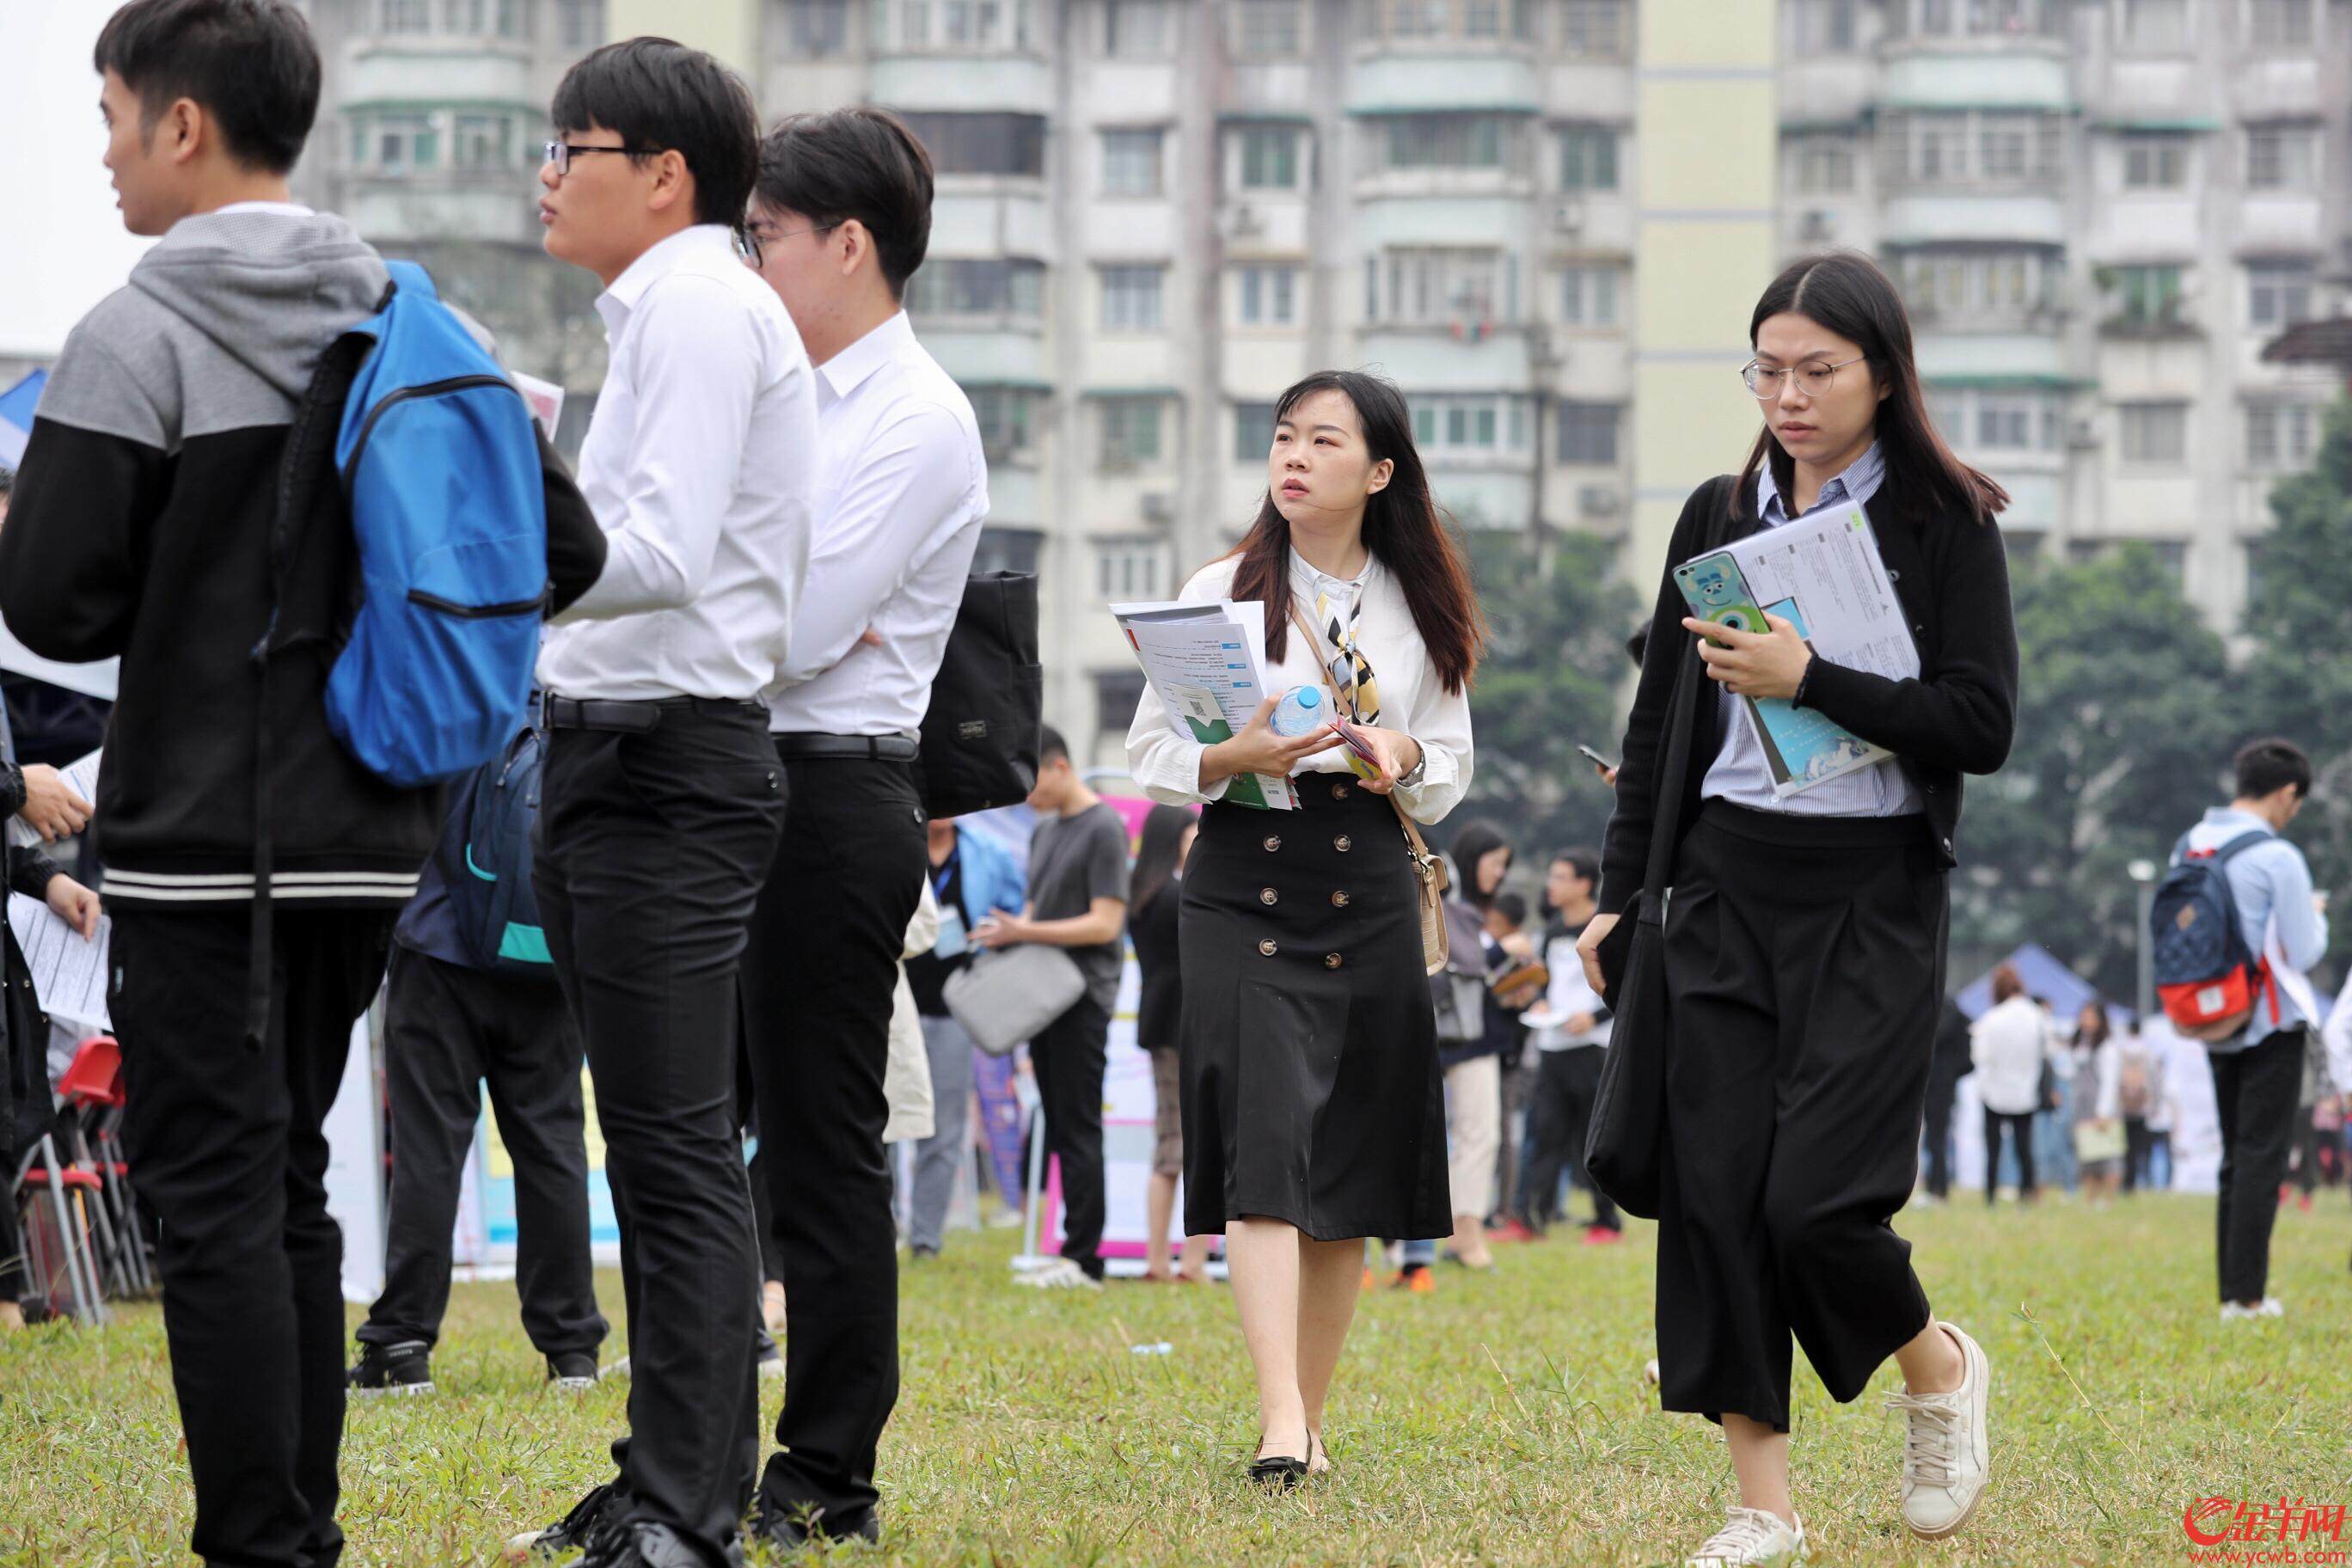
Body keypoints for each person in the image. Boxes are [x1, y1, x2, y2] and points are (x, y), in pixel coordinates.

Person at [0, 6, 602, 1564]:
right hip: (371, 835)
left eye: (116, 116)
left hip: (203, 840)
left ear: (184, 125)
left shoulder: (138, 331)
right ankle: (295, 1525)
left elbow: (53, 598)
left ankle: (265, 1542)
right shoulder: (417, 316)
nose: (110, 151)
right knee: (284, 1179)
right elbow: (570, 547)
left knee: (207, 1185)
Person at [1577, 252, 2015, 1563]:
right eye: (1768, 369)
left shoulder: (1948, 522)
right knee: (1713, 1194)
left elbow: (1978, 725)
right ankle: (1760, 1506)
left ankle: (1936, 1369)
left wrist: (1808, 673)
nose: (1789, 394)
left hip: (1871, 894)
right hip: (1720, 882)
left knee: (1816, 1202)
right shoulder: (1716, 514)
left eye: (1818, 370)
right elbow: (1660, 722)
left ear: (1884, 372)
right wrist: (1617, 897)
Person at [522, 36, 814, 1568]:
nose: (548, 176)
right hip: (615, 750)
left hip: (664, 761)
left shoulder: (699, 306)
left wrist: (504, 509)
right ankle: (660, 1474)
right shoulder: (666, 313)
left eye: (569, 145)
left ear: (665, 175)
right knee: (655, 1139)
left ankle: (690, 1511)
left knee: (676, 1144)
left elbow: (659, 553)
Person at [1124, 367, 1479, 1485]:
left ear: (1379, 472)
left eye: (1324, 442)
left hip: (1366, 877)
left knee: (1352, 1166)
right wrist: (1234, 756)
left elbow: (1452, 762)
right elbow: (1150, 753)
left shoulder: (1419, 604)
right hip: (1243, 875)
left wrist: (1404, 754)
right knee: (1268, 1142)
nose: (1295, 458)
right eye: (1284, 437)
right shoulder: (1219, 587)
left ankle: (1308, 1420)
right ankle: (1280, 1419)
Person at [726, 104, 986, 1551]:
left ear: (847, 243)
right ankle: (691, 1449)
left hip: (833, 796)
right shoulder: (781, 392)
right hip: (729, 775)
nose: (750, 260)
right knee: (700, 1133)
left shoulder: (916, 415)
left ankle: (827, 1466)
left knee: (821, 1145)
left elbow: (803, 625)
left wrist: (744, 593)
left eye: (762, 235)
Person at [347, 749, 606, 1397]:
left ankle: (403, 1343)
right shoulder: (570, 690)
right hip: (546, 952)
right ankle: (572, 1350)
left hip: (440, 949)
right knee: (553, 1149)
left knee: (430, 1150)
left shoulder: (454, 678)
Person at [2175, 738, 2329, 1321]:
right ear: (2288, 792)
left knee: (2235, 1157)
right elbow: (2305, 948)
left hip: (2211, 1015)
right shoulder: (2277, 857)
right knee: (2263, 1157)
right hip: (2267, 1019)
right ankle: (2246, 1297)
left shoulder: (2189, 843)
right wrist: (2317, 916)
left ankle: (2231, 1291)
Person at [973, 727, 1130, 1289]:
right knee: (1059, 1124)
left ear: (1060, 767)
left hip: (1082, 995)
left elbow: (1106, 923)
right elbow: (1037, 911)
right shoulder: (1042, 833)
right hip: (1040, 993)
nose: (1026, 793)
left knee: (1079, 1125)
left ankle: (1086, 1260)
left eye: (1031, 778)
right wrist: (1010, 936)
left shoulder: (1105, 827)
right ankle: (1068, 1247)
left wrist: (1027, 928)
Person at [903, 816, 1026, 1258]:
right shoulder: (900, 840)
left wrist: (1001, 935)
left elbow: (1018, 908)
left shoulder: (987, 850)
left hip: (958, 1006)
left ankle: (924, 1239)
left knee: (944, 1126)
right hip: (894, 1005)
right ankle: (874, 1231)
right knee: (877, 1120)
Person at [1510, 850, 1619, 1242]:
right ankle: (1531, 1218)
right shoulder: (1553, 930)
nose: (1551, 885)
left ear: (1584, 884)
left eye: (1560, 877)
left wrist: (1593, 1017)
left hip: (1591, 1046)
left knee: (1593, 1137)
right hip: (1552, 1046)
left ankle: (1607, 1221)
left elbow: (1627, 985)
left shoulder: (1606, 928)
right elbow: (1543, 979)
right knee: (1544, 1133)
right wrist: (1539, 1000)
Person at [1130, 804, 1214, 1283]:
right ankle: (1186, 1262)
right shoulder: (1178, 898)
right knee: (1192, 1144)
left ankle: (1162, 1260)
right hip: (1188, 1026)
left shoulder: (1146, 893)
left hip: (1163, 1025)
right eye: (1192, 832)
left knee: (1172, 1140)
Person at [1436, 821, 1514, 1271]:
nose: (1499, 873)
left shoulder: (1478, 910)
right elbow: (1466, 962)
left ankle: (1466, 1232)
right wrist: (1505, 952)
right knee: (1476, 1134)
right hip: (1454, 1031)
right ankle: (1463, 1237)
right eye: (1495, 862)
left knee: (1479, 1134)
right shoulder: (1452, 904)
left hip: (1478, 1032)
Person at [1971, 971, 2045, 1204]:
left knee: (1993, 1150)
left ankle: (1990, 1196)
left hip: (1994, 1092)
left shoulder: (1990, 1018)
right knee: (2024, 1148)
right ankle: (2027, 1194)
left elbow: (1980, 1056)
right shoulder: (2037, 1016)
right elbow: (2046, 1052)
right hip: (2026, 1092)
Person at [2070, 1003, 2123, 1209]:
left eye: (2091, 1017)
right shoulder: (2080, 1044)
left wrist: (2103, 1111)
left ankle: (2108, 1199)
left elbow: (2110, 1082)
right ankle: (2090, 1198)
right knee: (2087, 1155)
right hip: (2082, 1106)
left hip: (2100, 1107)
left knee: (2107, 1155)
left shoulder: (2107, 1047)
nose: (2086, 1022)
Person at [1920, 997, 1972, 1204]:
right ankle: (1937, 1186)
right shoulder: (1956, 1013)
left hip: (1935, 1084)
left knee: (1936, 1138)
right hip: (1945, 1083)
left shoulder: (1938, 1012)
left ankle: (1937, 1187)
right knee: (1937, 1138)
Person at [2116, 1016, 2161, 1195]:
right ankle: (2139, 1181)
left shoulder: (2120, 1050)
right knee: (2140, 1147)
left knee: (2124, 1147)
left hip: (2123, 1107)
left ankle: (2126, 1182)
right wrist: (2155, 1104)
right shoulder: (2148, 1052)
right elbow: (2155, 1081)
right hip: (2143, 1107)